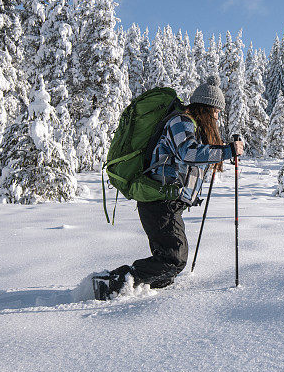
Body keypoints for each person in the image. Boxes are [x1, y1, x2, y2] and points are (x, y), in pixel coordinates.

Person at [103, 76, 244, 296]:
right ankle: (114, 283)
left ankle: (137, 291)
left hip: (167, 203)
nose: (217, 117)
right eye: (216, 111)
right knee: (174, 259)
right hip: (158, 202)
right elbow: (188, 153)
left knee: (168, 266)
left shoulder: (192, 126)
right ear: (206, 108)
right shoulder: (181, 121)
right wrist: (227, 151)